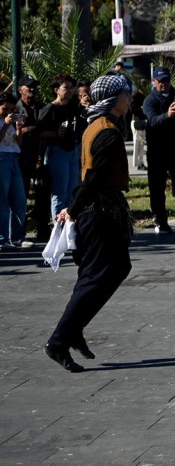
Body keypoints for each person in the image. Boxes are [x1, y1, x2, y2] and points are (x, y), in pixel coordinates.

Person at [44, 75, 136, 373]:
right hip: (98, 213)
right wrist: (73, 208)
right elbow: (94, 176)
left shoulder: (96, 125)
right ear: (114, 99)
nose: (130, 99)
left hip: (96, 210)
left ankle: (73, 330)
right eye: (126, 94)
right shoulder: (106, 132)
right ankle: (59, 340)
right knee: (97, 276)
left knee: (108, 270)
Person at [143, 67, 175, 234]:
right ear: (154, 82)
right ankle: (161, 220)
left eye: (166, 80)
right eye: (161, 81)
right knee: (157, 188)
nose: (164, 84)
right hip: (157, 151)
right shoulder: (150, 100)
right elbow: (152, 120)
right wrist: (168, 115)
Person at [36, 74, 87, 224]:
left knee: (72, 192)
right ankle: (58, 228)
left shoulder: (73, 107)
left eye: (72, 88)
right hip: (57, 151)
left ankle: (68, 227)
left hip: (73, 151)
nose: (70, 91)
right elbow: (38, 132)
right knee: (59, 192)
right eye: (66, 88)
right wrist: (55, 133)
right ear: (56, 90)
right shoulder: (49, 109)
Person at [0, 92, 31, 248]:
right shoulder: (4, 122)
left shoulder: (10, 123)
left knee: (19, 200)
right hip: (1, 159)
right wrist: (5, 123)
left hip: (13, 159)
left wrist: (18, 128)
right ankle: (2, 238)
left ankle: (17, 237)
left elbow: (18, 144)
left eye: (11, 109)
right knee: (3, 203)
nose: (9, 113)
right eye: (5, 109)